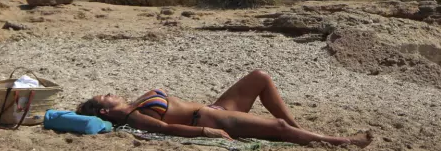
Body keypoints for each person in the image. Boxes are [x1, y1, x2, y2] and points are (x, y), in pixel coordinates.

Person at [75, 69, 372, 147]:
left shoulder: (134, 105)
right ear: (103, 111)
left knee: (260, 78)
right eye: (104, 97)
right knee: (277, 130)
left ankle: (296, 128)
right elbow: (165, 129)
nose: (109, 92)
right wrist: (207, 131)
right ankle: (344, 142)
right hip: (213, 120)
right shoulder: (132, 115)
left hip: (215, 107)